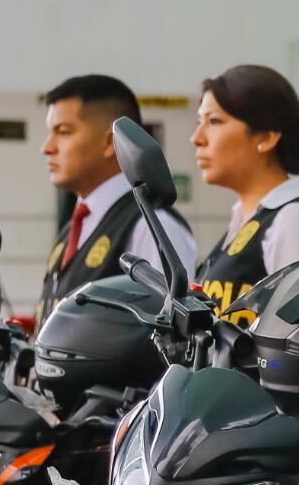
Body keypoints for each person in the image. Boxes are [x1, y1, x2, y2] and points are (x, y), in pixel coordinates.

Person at [38, 74, 199, 320]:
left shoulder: (151, 225)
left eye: (63, 131)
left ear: (109, 142)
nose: (47, 147)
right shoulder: (75, 227)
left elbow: (172, 334)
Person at [189, 66, 299, 321]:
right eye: (199, 122)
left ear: (267, 137)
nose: (197, 137)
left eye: (214, 121)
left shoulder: (295, 219)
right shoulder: (244, 221)